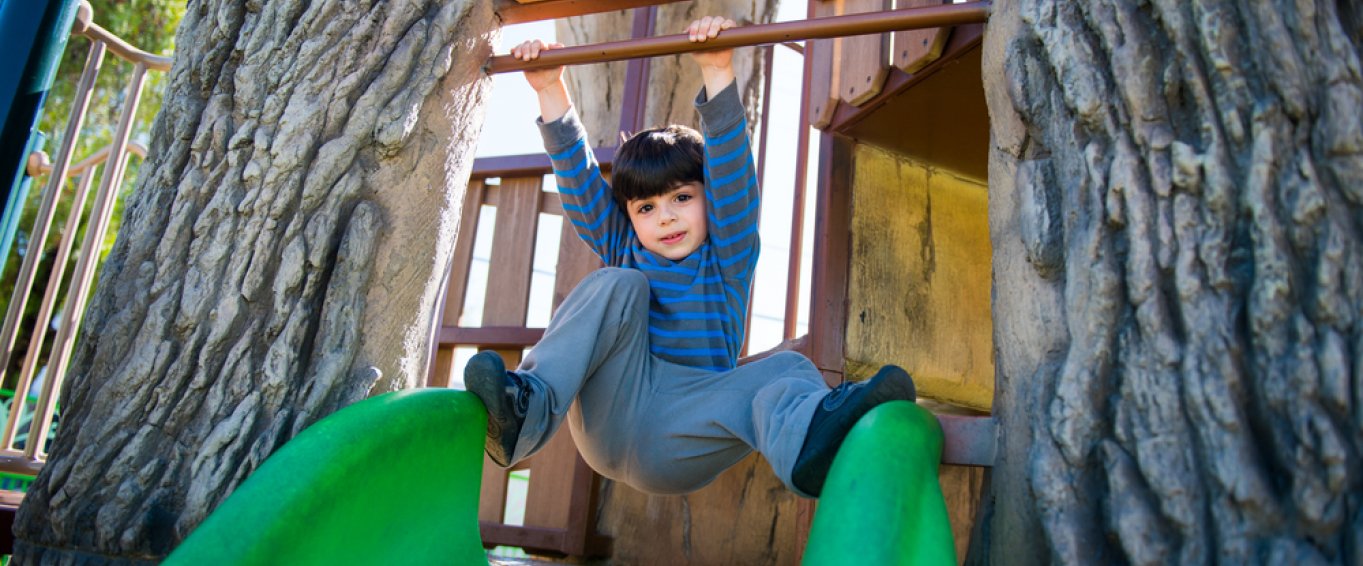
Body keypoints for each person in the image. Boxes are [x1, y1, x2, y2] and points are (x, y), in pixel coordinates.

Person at [464, 16, 916, 498]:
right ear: (630, 216)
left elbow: (733, 175)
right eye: (646, 207)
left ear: (708, 198)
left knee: (787, 367)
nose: (665, 218)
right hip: (613, 412)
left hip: (683, 432)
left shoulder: (728, 257)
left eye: (682, 198)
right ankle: (524, 414)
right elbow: (577, 178)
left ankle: (813, 442)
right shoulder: (626, 249)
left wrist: (718, 70)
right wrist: (550, 90)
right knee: (618, 284)